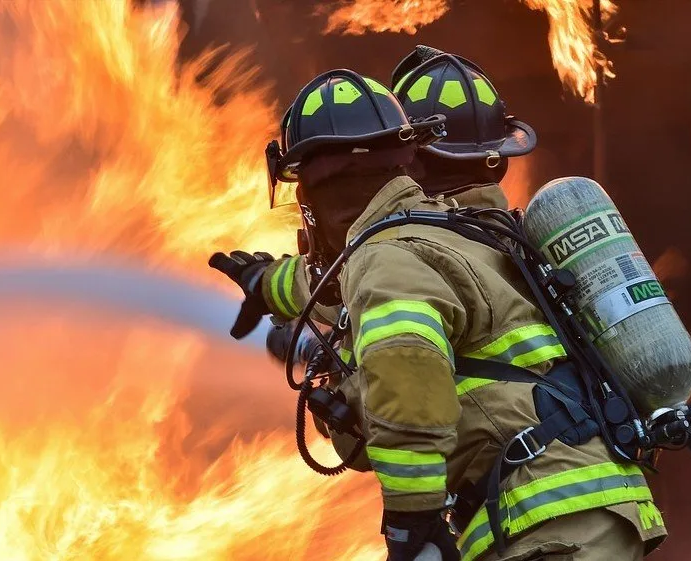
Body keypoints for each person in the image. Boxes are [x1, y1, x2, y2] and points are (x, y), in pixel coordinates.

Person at [210, 50, 667, 561]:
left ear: (317, 189)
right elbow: (339, 281)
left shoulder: (388, 256)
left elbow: (405, 377)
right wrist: (267, 282)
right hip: (580, 507)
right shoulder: (452, 234)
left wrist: (412, 521)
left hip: (546, 517)